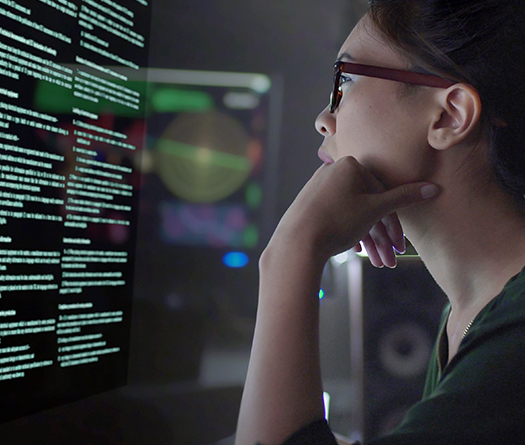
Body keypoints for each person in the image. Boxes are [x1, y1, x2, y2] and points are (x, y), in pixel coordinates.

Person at [235, 0, 525, 444]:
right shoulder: (469, 311)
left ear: (449, 115)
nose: (322, 119)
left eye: (345, 81)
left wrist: (291, 252)